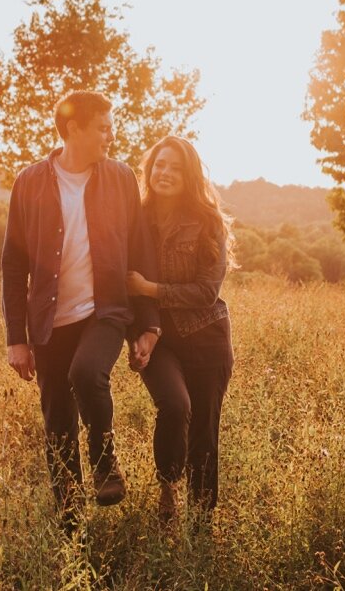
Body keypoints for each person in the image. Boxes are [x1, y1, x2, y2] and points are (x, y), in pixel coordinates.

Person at [0, 90, 162, 526]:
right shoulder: (30, 181)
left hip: (105, 311)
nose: (111, 136)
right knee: (58, 428)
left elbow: (139, 252)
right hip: (49, 324)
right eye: (103, 128)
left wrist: (147, 324)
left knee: (87, 372)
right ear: (74, 129)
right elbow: (13, 266)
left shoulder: (120, 177)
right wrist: (17, 338)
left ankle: (106, 461)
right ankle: (70, 524)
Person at [126, 134, 236, 523]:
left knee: (204, 433)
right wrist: (136, 333)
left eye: (175, 167)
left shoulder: (207, 222)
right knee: (174, 407)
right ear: (149, 170)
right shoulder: (133, 218)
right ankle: (168, 489)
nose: (165, 173)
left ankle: (202, 523)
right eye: (159, 165)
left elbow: (207, 291)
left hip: (207, 337)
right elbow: (121, 286)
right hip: (159, 342)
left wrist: (150, 289)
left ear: (189, 175)